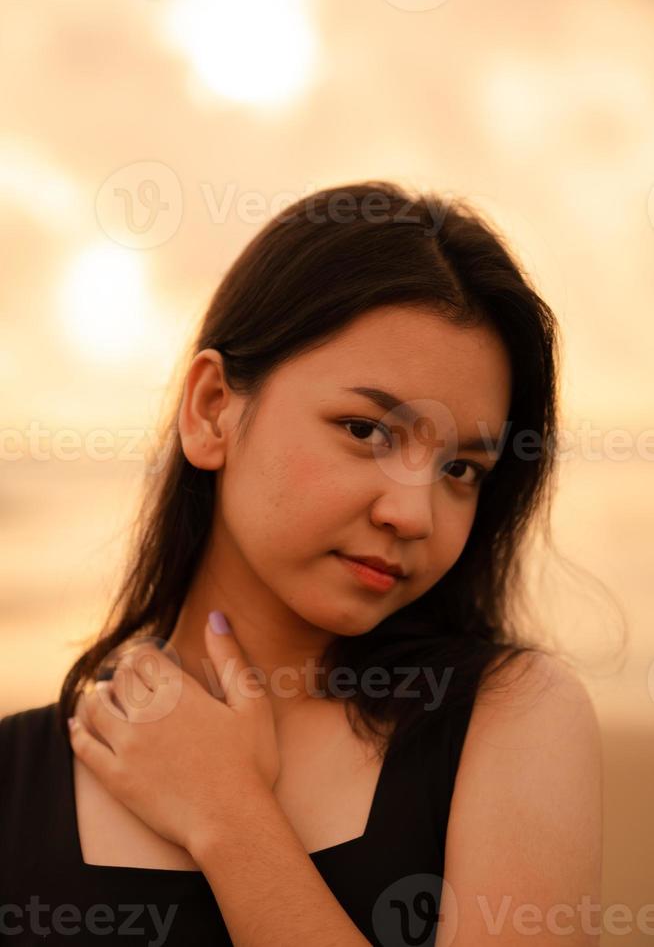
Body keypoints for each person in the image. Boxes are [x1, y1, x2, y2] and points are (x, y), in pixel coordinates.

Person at [0, 181, 602, 946]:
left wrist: (229, 817)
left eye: (461, 470)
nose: (412, 514)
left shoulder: (509, 720)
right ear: (213, 408)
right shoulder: (14, 778)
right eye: (366, 430)